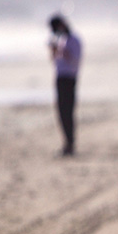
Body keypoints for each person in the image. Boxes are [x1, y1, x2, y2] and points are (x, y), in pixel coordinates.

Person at [48, 14, 82, 156]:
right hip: (60, 77)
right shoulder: (60, 40)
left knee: (68, 111)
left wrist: (63, 52)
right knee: (61, 112)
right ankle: (67, 143)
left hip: (69, 79)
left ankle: (70, 143)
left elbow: (75, 61)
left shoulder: (74, 40)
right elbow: (54, 60)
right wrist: (54, 50)